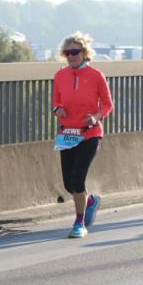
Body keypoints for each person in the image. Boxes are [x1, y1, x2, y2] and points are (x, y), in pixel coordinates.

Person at [51, 32, 114, 238]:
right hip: (67, 133)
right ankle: (90, 201)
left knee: (78, 179)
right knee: (69, 184)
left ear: (84, 53)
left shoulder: (96, 76)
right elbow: (56, 101)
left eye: (75, 52)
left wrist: (96, 117)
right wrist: (57, 109)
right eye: (67, 52)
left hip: (90, 134)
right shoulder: (60, 75)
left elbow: (108, 105)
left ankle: (79, 223)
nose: (71, 56)